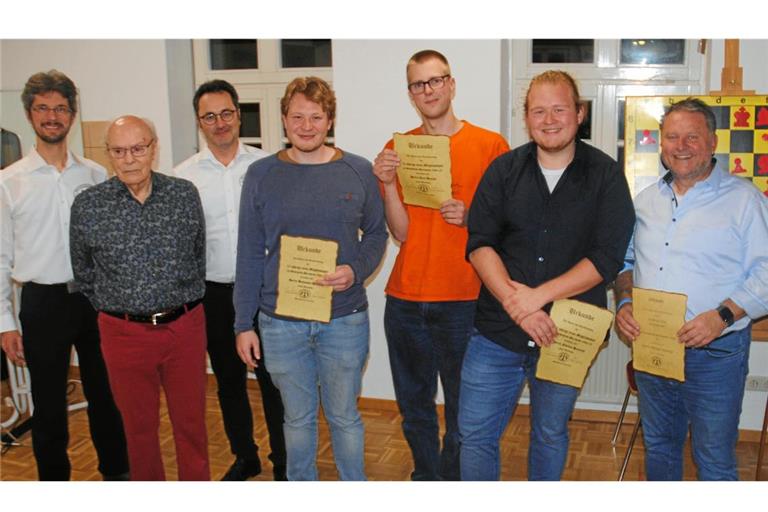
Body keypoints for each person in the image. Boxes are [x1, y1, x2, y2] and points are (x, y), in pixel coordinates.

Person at [459, 70, 635, 480]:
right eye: (539, 111)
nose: (549, 119)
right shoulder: (502, 171)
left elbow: (606, 258)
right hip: (497, 331)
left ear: (580, 113)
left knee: (550, 433)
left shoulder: (606, 176)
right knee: (475, 436)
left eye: (559, 109)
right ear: (526, 117)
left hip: (569, 332)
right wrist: (517, 305)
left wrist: (537, 298)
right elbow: (479, 244)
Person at [234, 76, 387, 481]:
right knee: (297, 421)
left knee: (345, 418)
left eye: (315, 117)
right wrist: (243, 324)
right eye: (297, 116)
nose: (306, 126)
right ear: (284, 119)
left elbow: (376, 234)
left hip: (344, 319)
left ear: (330, 119)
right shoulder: (261, 175)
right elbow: (249, 251)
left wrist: (355, 270)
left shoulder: (358, 171)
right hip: (280, 322)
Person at [372, 49, 509, 481]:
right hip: (406, 300)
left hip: (464, 300)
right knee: (414, 409)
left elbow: (509, 227)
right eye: (418, 84)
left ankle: (451, 482)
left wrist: (473, 217)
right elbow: (402, 233)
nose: (428, 90)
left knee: (463, 409)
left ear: (451, 84)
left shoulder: (491, 146)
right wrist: (388, 185)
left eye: (436, 81)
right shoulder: (399, 147)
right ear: (410, 94)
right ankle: (426, 479)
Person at [613, 98, 768, 481]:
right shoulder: (646, 201)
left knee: (713, 458)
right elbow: (626, 264)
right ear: (661, 145)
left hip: (715, 355)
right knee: (660, 448)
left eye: (692, 137)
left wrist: (723, 315)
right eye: (672, 137)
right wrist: (626, 302)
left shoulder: (744, 200)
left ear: (712, 142)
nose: (681, 146)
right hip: (654, 348)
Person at [0, 70, 128, 481]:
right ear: (29, 114)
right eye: (43, 108)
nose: (51, 116)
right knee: (49, 404)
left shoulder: (94, 175)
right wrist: (5, 324)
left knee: (107, 397)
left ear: (72, 115)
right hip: (41, 303)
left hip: (93, 299)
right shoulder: (8, 183)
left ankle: (117, 476)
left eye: (60, 108)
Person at [70, 115, 209, 481]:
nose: (129, 158)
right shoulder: (89, 205)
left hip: (184, 326)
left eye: (137, 148)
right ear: (108, 155)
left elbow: (198, 256)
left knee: (191, 425)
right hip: (123, 332)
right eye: (119, 150)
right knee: (138, 430)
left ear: (153, 149)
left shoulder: (184, 195)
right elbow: (84, 273)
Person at [173, 79, 287, 481]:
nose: (219, 123)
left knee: (275, 383)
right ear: (199, 123)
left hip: (266, 292)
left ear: (239, 115)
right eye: (209, 116)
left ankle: (284, 462)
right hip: (214, 295)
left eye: (226, 113)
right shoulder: (181, 177)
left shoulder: (269, 166)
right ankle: (245, 456)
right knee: (228, 382)